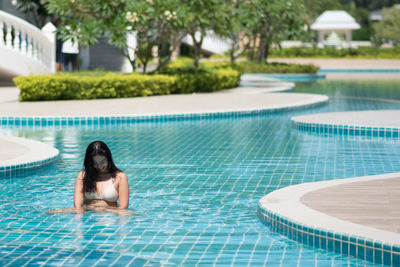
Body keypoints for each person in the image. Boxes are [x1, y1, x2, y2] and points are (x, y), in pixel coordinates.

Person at [47, 141, 135, 216]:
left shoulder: (120, 177)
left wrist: (104, 210)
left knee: (130, 214)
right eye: (95, 163)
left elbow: (123, 208)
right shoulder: (82, 176)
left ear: (108, 159)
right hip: (88, 214)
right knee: (50, 212)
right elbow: (78, 207)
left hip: (110, 215)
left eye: (102, 162)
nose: (99, 166)